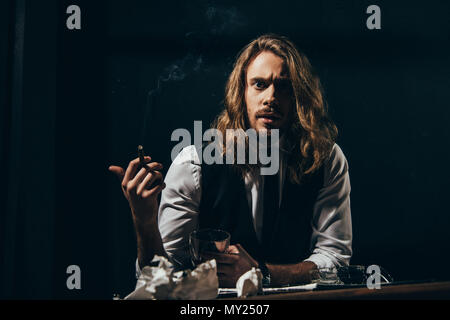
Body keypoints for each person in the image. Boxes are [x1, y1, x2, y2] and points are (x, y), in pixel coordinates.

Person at [109, 34, 352, 288]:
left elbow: (334, 260)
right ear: (241, 92)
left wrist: (261, 274)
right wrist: (144, 219)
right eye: (259, 84)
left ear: (298, 97)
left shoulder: (325, 159)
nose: (271, 97)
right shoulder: (193, 164)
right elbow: (161, 281)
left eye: (284, 86)